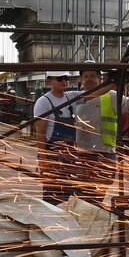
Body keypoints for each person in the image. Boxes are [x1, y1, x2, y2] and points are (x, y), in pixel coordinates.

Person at [74, 62, 129, 206]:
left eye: (93, 76)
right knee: (85, 195)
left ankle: (91, 218)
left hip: (106, 153)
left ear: (100, 78)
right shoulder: (75, 97)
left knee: (98, 193)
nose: (89, 79)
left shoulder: (111, 96)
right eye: (86, 76)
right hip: (83, 154)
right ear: (81, 80)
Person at [32, 73, 81, 204]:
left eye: (66, 79)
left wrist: (113, 80)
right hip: (53, 155)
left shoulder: (70, 97)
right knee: (52, 191)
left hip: (69, 154)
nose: (64, 81)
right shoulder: (43, 102)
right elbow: (40, 133)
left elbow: (92, 93)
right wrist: (43, 159)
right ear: (50, 82)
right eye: (60, 79)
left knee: (67, 190)